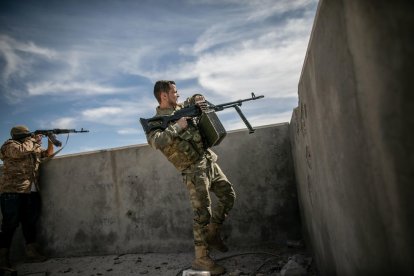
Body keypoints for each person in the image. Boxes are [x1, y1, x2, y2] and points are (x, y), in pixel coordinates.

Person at [145, 80, 236, 275]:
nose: (177, 95)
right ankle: (201, 260)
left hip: (208, 160)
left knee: (229, 195)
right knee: (202, 214)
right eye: (174, 92)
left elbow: (192, 99)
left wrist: (196, 97)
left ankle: (213, 232)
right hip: (193, 170)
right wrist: (177, 126)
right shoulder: (154, 123)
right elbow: (156, 142)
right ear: (163, 95)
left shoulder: (182, 107)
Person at [0, 125, 57, 269]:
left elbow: (48, 154)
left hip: (31, 191)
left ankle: (32, 253)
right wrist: (33, 140)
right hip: (12, 191)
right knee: (9, 225)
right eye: (27, 135)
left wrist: (50, 140)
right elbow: (20, 152)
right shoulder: (10, 145)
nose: (30, 137)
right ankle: (2, 258)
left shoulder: (32, 146)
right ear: (20, 136)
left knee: (29, 223)